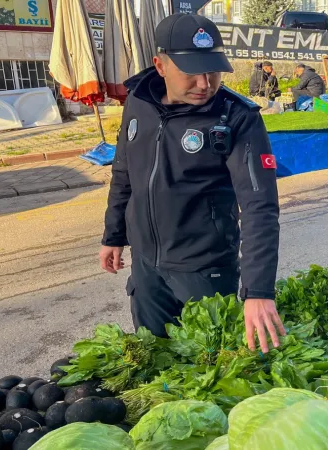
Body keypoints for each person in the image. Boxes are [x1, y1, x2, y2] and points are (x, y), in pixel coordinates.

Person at [99, 13, 285, 354]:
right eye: (192, 72)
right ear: (160, 65)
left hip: (205, 272)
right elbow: (124, 171)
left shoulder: (236, 118)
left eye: (212, 70)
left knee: (212, 371)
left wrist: (258, 291)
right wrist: (113, 236)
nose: (205, 83)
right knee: (153, 362)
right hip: (146, 268)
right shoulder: (138, 102)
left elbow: (260, 206)